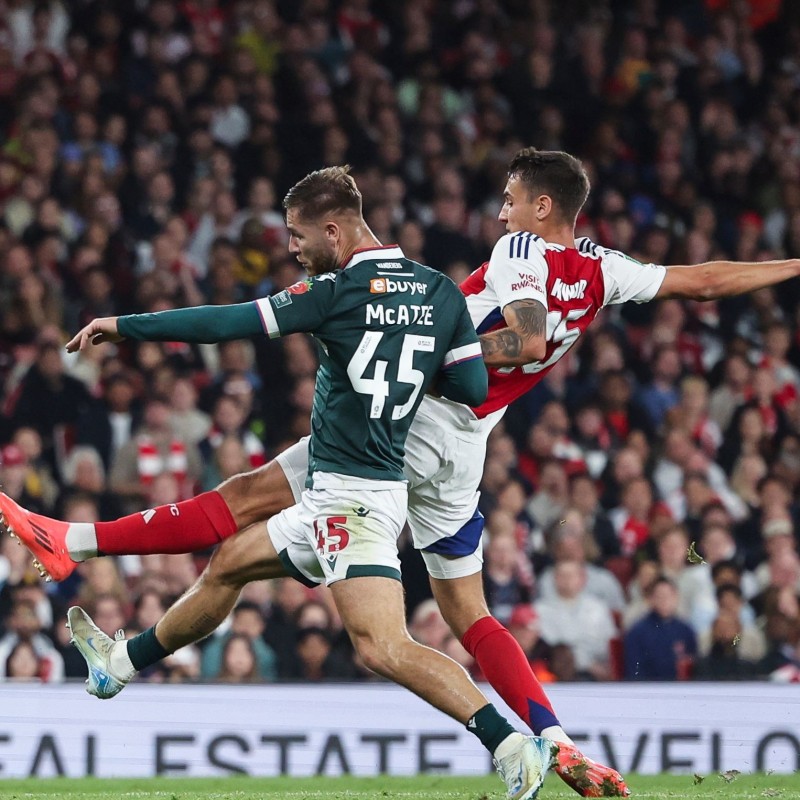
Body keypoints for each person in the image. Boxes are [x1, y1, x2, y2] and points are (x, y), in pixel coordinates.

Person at [8, 146, 800, 791]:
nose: (501, 212)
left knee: (251, 508)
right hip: (467, 450)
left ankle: (75, 545)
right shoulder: (604, 271)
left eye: (511, 199)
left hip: (405, 428)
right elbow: (706, 281)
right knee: (459, 611)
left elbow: (520, 336)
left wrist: (425, 347)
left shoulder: (519, 251)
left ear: (543, 210)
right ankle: (553, 735)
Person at [20, 165, 557, 800]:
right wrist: (411, 357)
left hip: (352, 498)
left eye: (299, 237)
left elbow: (227, 324)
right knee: (229, 562)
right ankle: (118, 658)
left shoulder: (334, 292)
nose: (293, 249)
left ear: (335, 230)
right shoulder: (440, 292)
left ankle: (511, 744)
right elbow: (470, 388)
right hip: (359, 480)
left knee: (382, 645)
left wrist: (125, 325)